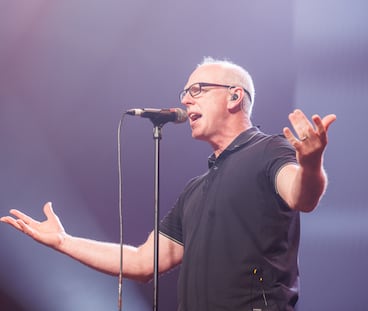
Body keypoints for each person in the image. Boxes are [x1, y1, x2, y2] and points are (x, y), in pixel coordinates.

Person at [1, 57, 336, 310]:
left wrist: (311, 162)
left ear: (235, 97)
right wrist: (63, 241)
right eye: (185, 93)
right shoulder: (196, 190)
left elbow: (300, 195)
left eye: (197, 90)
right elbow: (141, 261)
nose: (187, 100)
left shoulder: (269, 149)